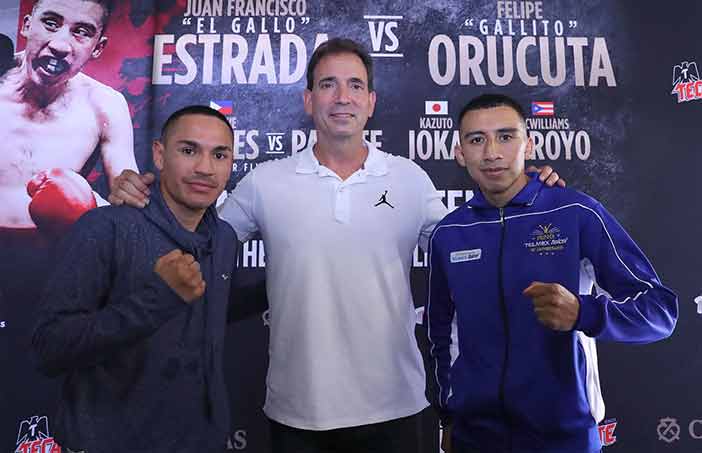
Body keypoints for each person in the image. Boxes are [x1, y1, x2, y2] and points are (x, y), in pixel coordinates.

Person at [108, 39, 563, 453]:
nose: (342, 97)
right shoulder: (266, 183)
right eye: (328, 84)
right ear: (308, 100)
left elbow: (480, 247)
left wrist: (533, 196)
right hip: (298, 412)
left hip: (397, 407)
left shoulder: (409, 179)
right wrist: (146, 195)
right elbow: (193, 237)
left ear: (371, 102)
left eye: (354, 85)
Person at [426, 94, 678, 453]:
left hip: (564, 438)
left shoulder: (576, 213)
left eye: (506, 136)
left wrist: (584, 313)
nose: (492, 152)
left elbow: (660, 312)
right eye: (476, 139)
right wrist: (449, 417)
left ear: (528, 143)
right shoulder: (448, 234)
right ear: (460, 152)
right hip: (474, 438)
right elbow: (441, 339)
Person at [32, 106, 263, 453]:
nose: (204, 167)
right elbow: (50, 349)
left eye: (219, 154)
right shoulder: (104, 229)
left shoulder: (224, 238)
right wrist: (157, 298)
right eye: (188, 150)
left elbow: (206, 315)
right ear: (159, 154)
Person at [0, 0, 137, 237]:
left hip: (54, 261)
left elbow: (130, 204)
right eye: (50, 23)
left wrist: (89, 209)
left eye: (82, 32)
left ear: (98, 48)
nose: (60, 45)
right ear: (26, 25)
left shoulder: (105, 105)